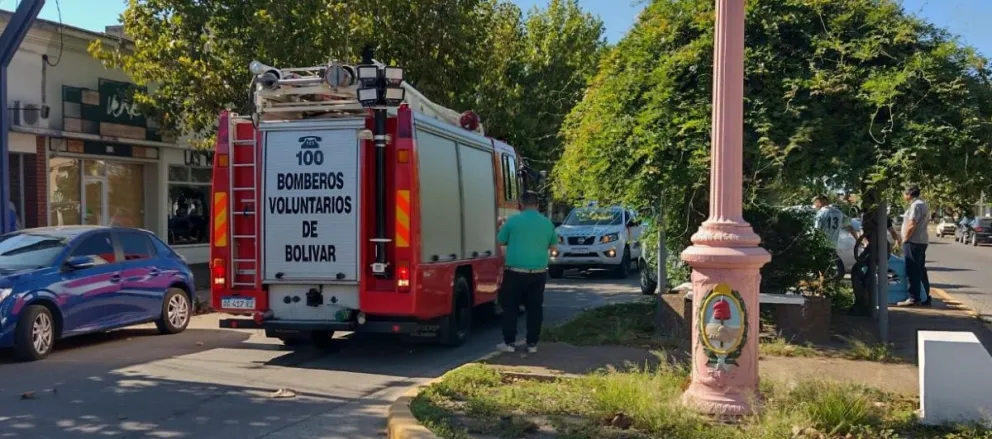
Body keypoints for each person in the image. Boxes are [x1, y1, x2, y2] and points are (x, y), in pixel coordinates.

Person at [495, 191, 557, 354]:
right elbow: (553, 246)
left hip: (514, 272)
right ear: (537, 205)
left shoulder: (512, 221)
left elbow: (501, 241)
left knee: (510, 307)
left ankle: (509, 343)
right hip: (538, 272)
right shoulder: (547, 223)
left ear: (520, 204)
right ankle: (532, 344)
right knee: (535, 308)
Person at [897, 184, 931, 306]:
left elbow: (912, 224)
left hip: (913, 241)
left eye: (904, 193)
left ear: (909, 194)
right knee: (920, 269)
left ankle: (914, 297)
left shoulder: (916, 205)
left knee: (912, 269)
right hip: (920, 241)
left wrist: (905, 239)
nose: (903, 196)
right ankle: (925, 296)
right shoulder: (922, 204)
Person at [813, 195, 856, 278]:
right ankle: (828, 284)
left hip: (822, 246)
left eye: (816, 202)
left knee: (821, 269)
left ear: (822, 201)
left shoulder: (821, 213)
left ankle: (822, 285)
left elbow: (816, 230)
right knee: (835, 269)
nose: (816, 205)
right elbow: (850, 227)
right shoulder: (839, 213)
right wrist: (857, 239)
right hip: (832, 245)